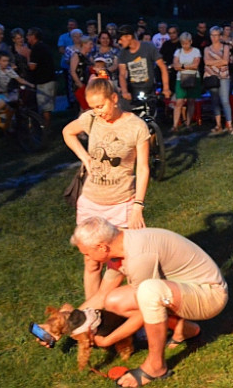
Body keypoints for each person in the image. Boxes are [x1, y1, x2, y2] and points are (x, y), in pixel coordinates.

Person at [69, 217, 227, 387]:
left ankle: (156, 367)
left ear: (101, 247)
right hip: (184, 290)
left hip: (210, 296)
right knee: (113, 300)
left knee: (148, 292)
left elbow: (145, 310)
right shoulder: (121, 245)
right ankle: (186, 329)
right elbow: (102, 295)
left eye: (86, 253)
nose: (87, 257)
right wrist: (65, 323)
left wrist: (109, 340)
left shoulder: (138, 255)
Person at [62, 78, 150, 299]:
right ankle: (94, 314)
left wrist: (138, 207)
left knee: (129, 263)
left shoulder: (136, 126)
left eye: (100, 106)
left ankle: (137, 315)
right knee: (91, 263)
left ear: (114, 98)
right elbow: (67, 132)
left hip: (122, 203)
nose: (97, 112)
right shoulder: (91, 119)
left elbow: (143, 169)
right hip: (92, 202)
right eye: (93, 107)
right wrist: (85, 158)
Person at [117, 25, 171, 105]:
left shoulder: (148, 47)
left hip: (150, 90)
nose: (119, 42)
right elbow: (122, 74)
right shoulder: (123, 53)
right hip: (132, 91)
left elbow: (162, 67)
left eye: (121, 39)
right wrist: (125, 91)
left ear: (129, 36)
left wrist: (166, 88)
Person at [0, 51, 34, 124]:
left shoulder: (9, 69)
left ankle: (6, 125)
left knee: (11, 107)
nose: (6, 63)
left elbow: (19, 79)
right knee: (2, 104)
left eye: (7, 61)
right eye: (4, 61)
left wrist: (30, 85)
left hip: (1, 93)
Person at [203, 27, 233, 134]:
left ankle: (229, 124)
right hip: (212, 76)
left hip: (224, 76)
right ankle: (218, 124)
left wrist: (214, 62)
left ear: (220, 36)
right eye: (212, 35)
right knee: (215, 101)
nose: (214, 37)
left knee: (225, 100)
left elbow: (225, 61)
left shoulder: (225, 47)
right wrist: (219, 62)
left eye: (216, 35)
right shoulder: (207, 49)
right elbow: (206, 62)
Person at [25, 28, 57, 126]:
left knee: (45, 108)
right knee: (48, 108)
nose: (27, 38)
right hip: (51, 80)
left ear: (33, 36)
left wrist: (25, 61)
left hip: (44, 82)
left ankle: (45, 129)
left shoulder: (36, 48)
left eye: (28, 35)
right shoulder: (44, 46)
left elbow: (32, 66)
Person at [171, 32, 202, 131]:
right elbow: (175, 66)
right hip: (180, 78)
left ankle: (188, 123)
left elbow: (195, 65)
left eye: (187, 43)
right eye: (183, 43)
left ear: (191, 42)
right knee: (179, 101)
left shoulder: (196, 51)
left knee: (191, 101)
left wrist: (182, 66)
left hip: (193, 78)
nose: (185, 45)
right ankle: (175, 125)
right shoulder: (178, 52)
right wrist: (187, 66)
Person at [69, 36, 94, 111]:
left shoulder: (88, 57)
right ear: (84, 44)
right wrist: (79, 84)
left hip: (87, 84)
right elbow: (73, 71)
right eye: (90, 44)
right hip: (80, 85)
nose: (91, 47)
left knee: (84, 108)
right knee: (85, 107)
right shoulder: (76, 56)